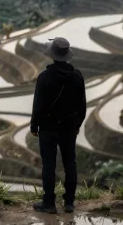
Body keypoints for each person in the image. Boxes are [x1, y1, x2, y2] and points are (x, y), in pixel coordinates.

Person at [30, 37, 86, 214]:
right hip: (69, 128)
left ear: (52, 55)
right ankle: (69, 202)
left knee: (49, 165)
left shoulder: (44, 77)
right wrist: (78, 124)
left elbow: (38, 105)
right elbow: (82, 105)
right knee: (70, 162)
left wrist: (34, 126)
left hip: (48, 128)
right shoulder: (77, 76)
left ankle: (49, 203)